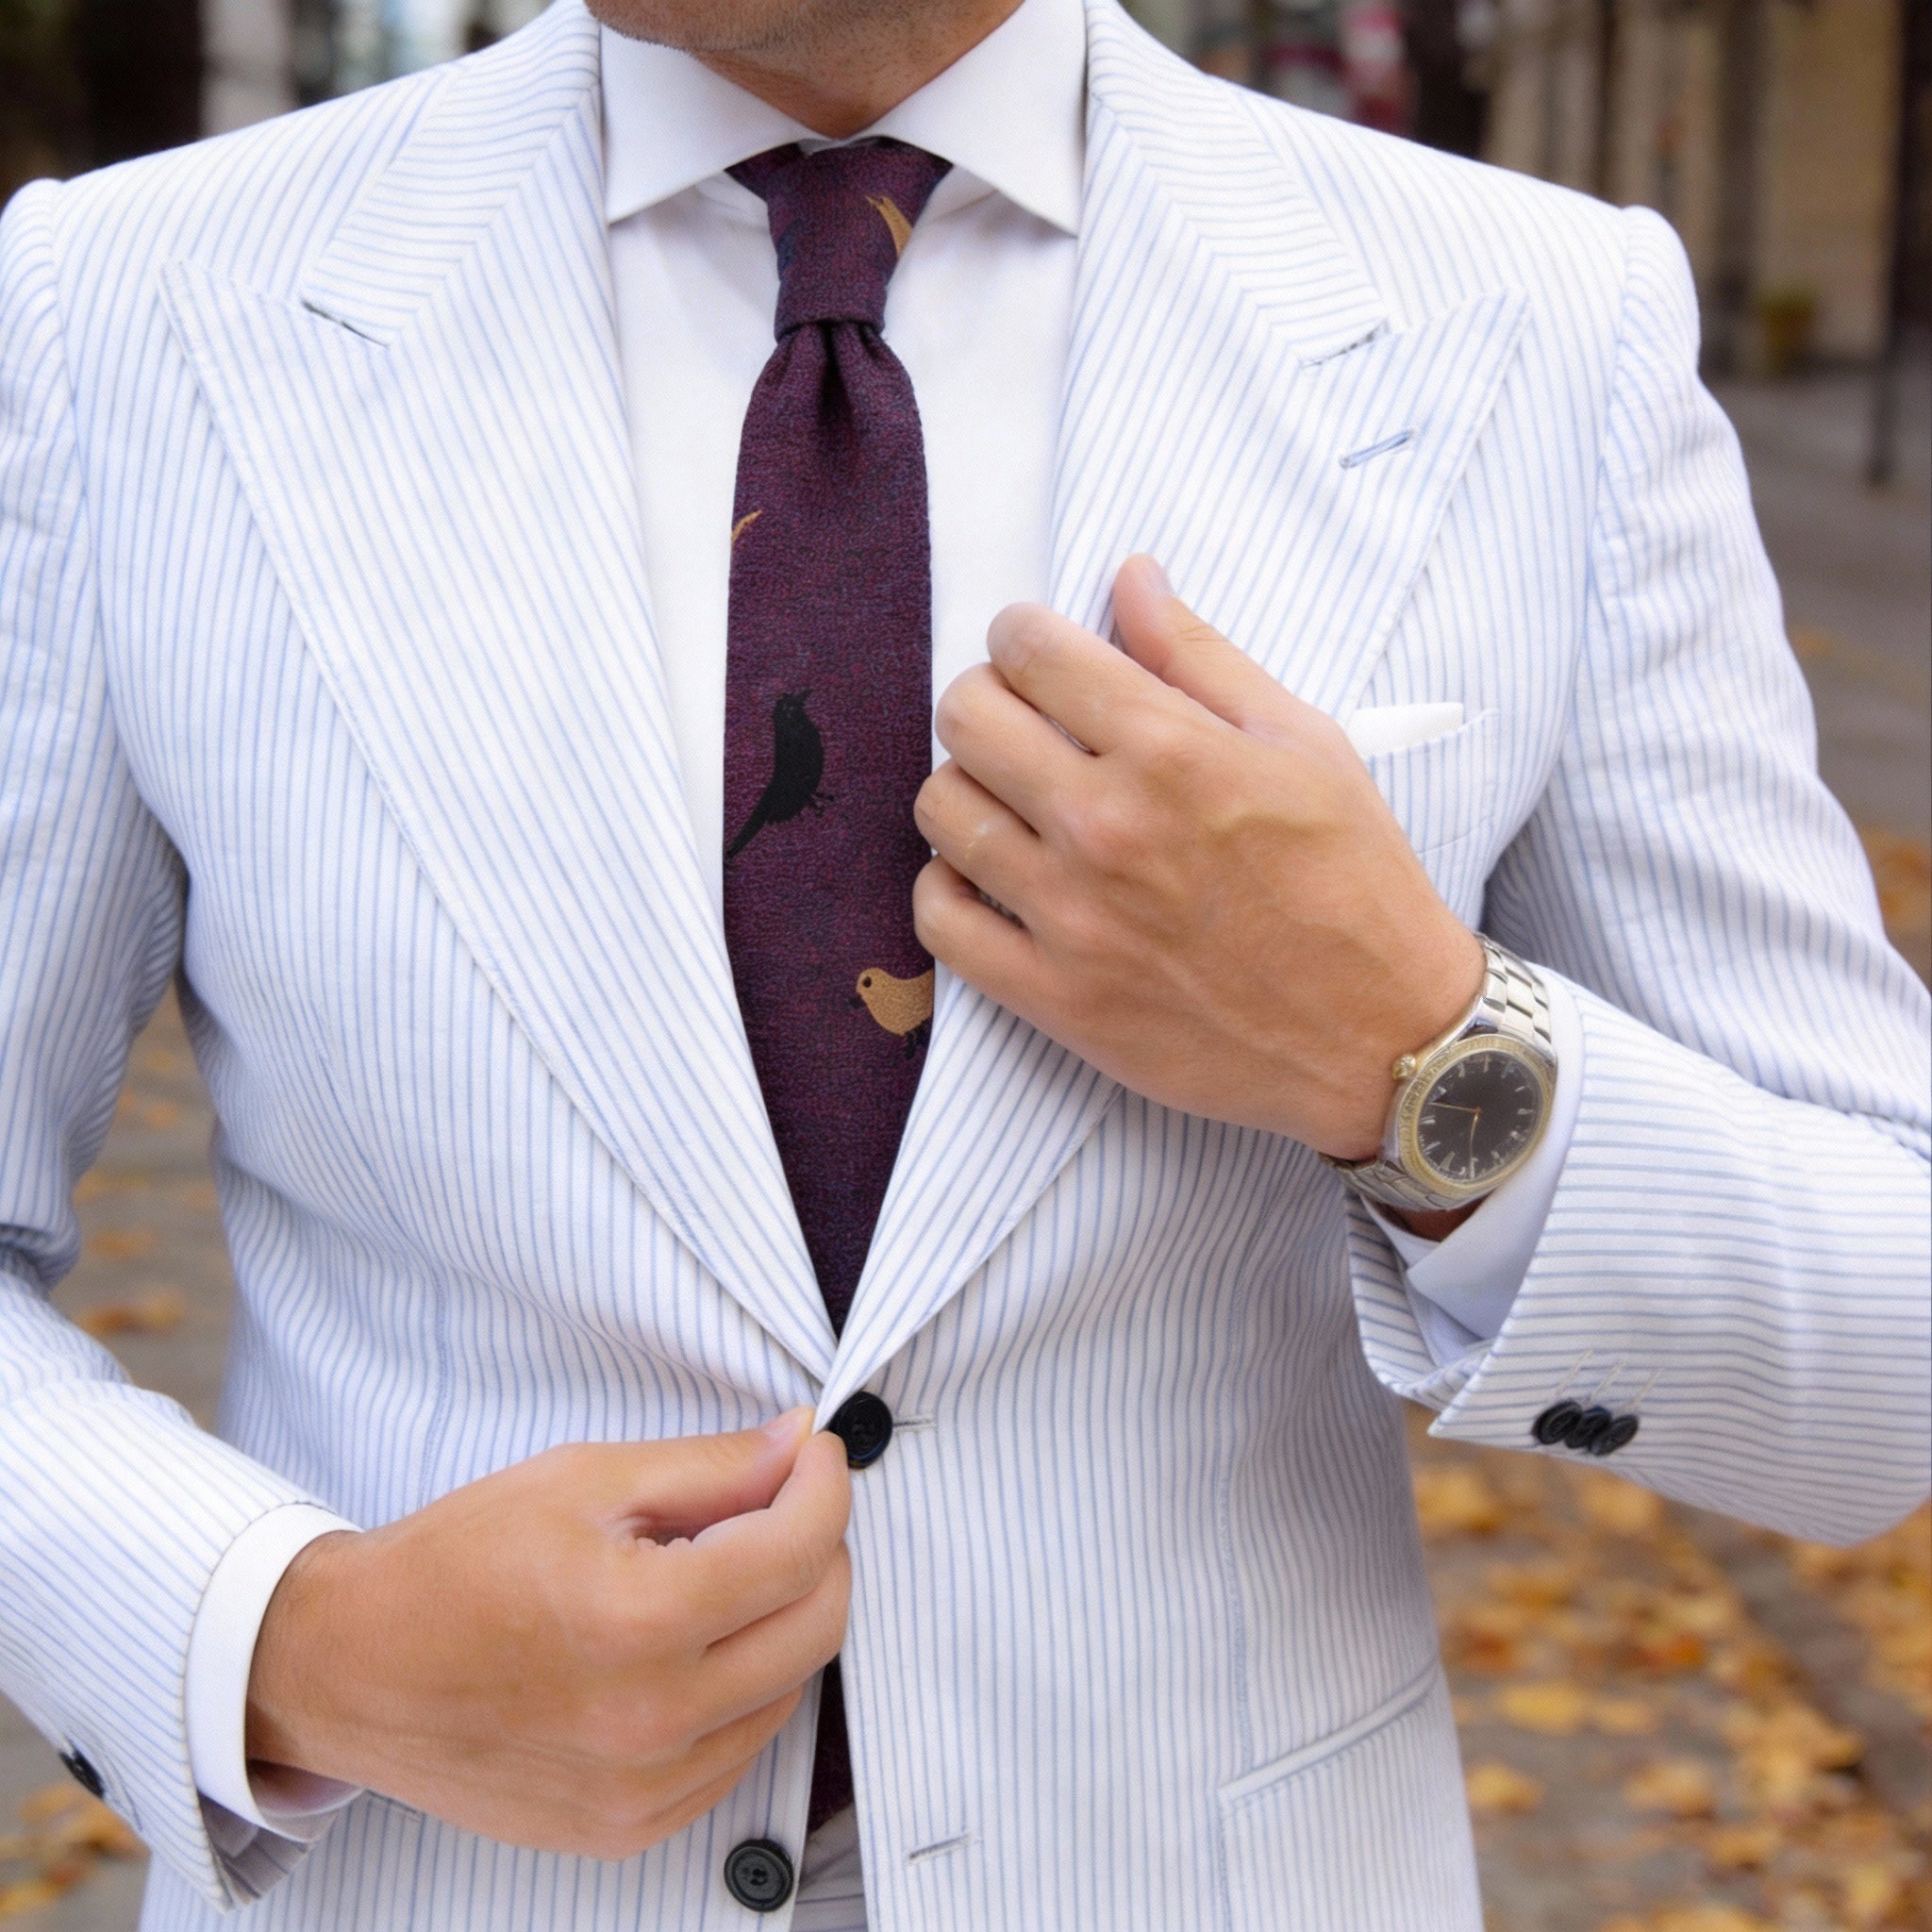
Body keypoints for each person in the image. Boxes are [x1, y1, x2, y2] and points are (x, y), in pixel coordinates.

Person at [0, 0, 1924, 1925]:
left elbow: (1890, 1357)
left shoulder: (1533, 326)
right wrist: (288, 1643)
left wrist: (1416, 1063)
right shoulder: (129, 311)